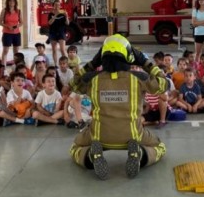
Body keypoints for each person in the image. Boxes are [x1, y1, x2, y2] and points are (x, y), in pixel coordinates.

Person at [69, 34, 169, 180]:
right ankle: (140, 155)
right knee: (160, 147)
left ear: (102, 56)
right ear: (128, 56)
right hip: (133, 135)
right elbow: (163, 84)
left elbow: (73, 83)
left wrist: (92, 63)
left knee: (75, 147)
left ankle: (91, 156)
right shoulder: (139, 78)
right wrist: (145, 62)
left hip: (99, 135)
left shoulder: (93, 79)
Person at [0, 0, 22, 66]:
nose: (12, 2)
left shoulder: (18, 11)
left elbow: (21, 22)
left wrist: (17, 26)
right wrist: (7, 26)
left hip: (16, 33)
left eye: (13, 0)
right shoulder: (4, 11)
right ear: (8, 2)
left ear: (15, 2)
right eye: (10, 0)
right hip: (7, 33)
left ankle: (16, 66)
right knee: (5, 50)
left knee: (16, 51)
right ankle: (3, 67)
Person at [48, 0, 69, 66]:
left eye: (58, 5)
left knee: (62, 49)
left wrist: (66, 16)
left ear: (60, 6)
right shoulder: (51, 14)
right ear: (53, 6)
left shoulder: (63, 13)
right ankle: (55, 64)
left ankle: (66, 64)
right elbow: (50, 23)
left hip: (61, 32)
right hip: (53, 32)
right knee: (54, 49)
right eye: (55, 5)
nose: (57, 6)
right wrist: (55, 15)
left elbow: (67, 23)